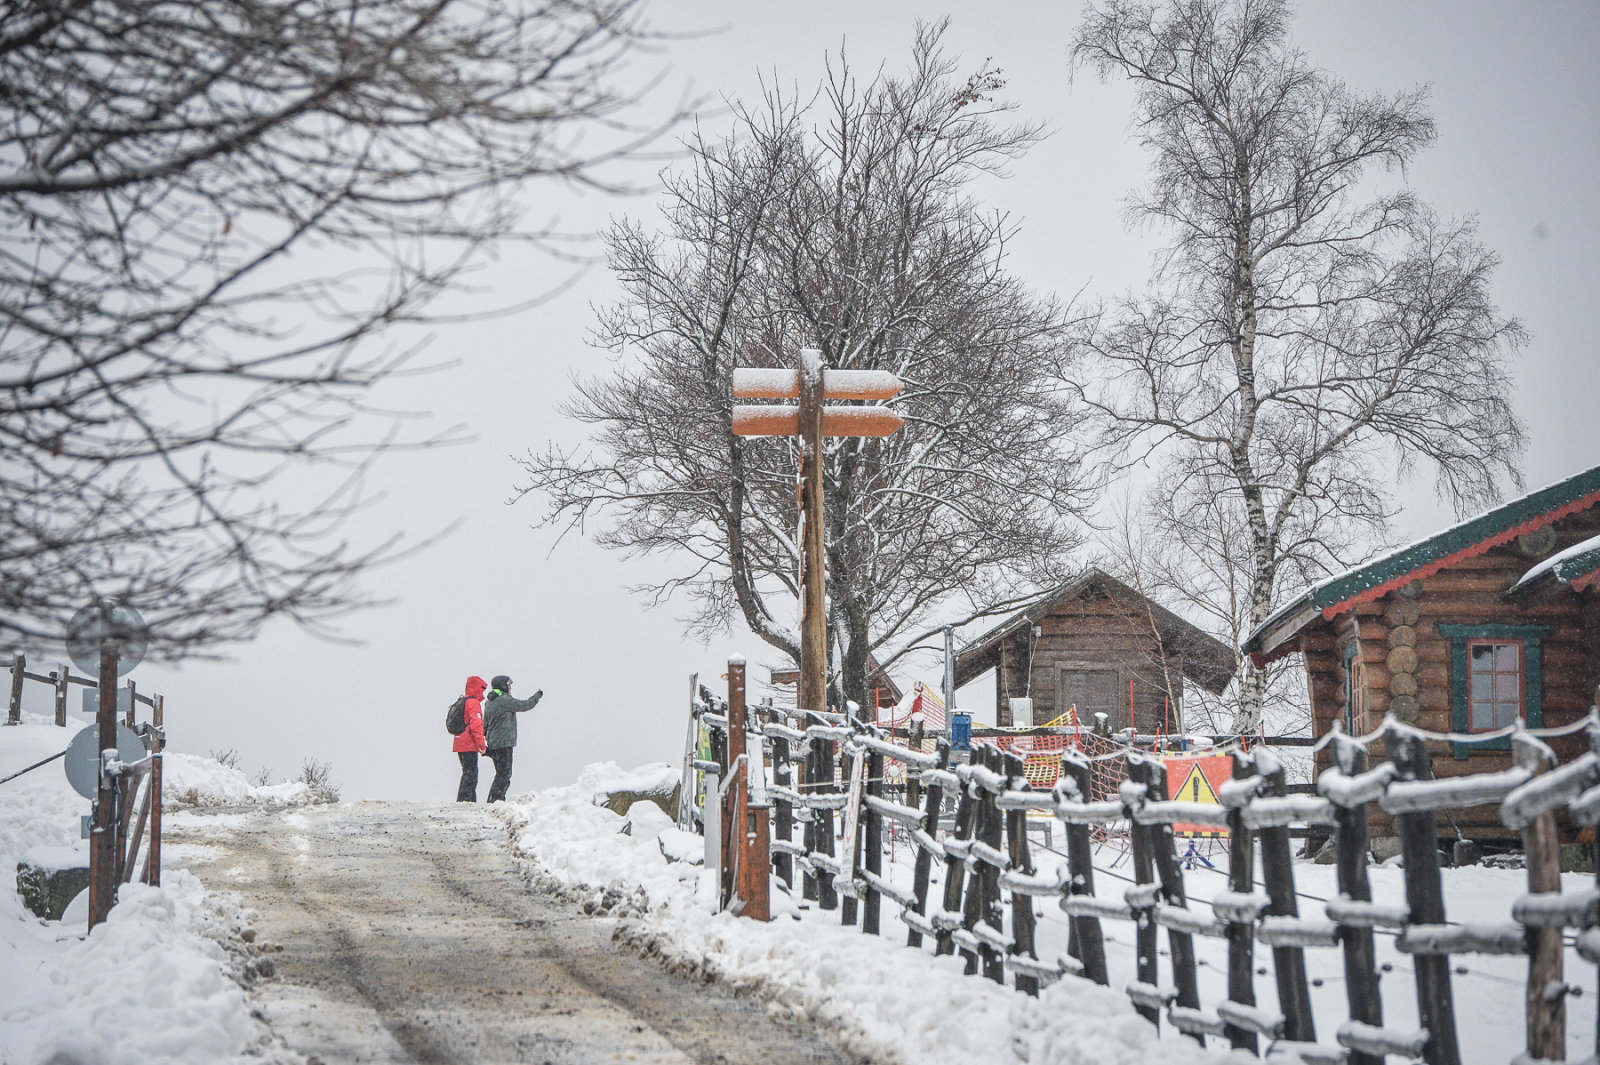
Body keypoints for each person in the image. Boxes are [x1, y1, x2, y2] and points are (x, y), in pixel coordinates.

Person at [483, 674, 542, 803]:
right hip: (504, 743)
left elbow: (485, 724)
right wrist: (537, 696)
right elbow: (525, 705)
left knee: (500, 772)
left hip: (493, 742)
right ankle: (496, 799)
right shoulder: (505, 701)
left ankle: (495, 798)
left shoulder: (489, 702)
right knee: (504, 774)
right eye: (509, 685)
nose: (510, 688)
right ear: (503, 686)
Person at [453, 675, 488, 802]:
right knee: (471, 772)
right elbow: (476, 725)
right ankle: (466, 800)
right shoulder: (473, 703)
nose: (483, 692)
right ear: (477, 688)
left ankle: (466, 799)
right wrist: (481, 745)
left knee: (467, 771)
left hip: (459, 741)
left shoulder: (463, 700)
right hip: (468, 743)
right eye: (482, 688)